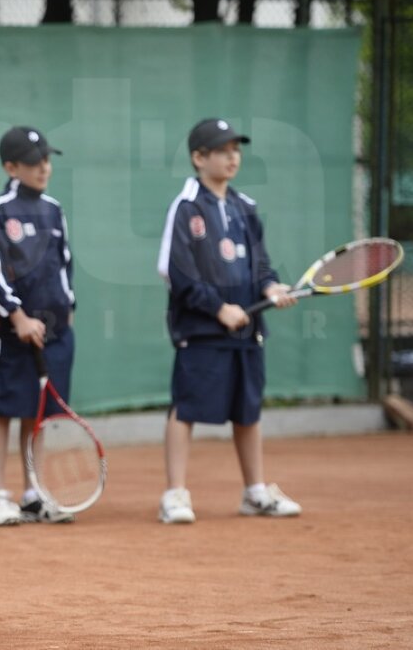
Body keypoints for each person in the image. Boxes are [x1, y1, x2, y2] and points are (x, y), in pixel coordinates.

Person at [156, 118, 301, 524]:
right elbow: (174, 271)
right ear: (199, 158)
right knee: (185, 409)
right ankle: (175, 494)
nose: (232, 157)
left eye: (236, 149)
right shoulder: (186, 206)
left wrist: (271, 288)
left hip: (248, 331)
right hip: (201, 331)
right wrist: (218, 308)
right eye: (222, 150)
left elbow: (261, 266)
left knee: (248, 410)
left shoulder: (245, 208)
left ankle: (255, 492)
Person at [0, 126, 76, 527]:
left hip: (53, 334)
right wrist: (17, 316)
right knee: (1, 411)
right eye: (34, 163)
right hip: (8, 333)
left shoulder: (53, 209)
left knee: (38, 416)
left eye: (47, 161)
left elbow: (65, 264)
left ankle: (34, 492)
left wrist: (67, 309)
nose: (44, 168)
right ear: (11, 167)